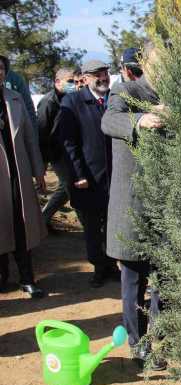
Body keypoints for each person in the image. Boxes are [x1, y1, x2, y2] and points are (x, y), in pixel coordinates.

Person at [101, 44, 166, 370]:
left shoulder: (176, 95)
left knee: (163, 284)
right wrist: (141, 120)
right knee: (133, 285)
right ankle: (138, 345)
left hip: (165, 211)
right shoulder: (125, 91)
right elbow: (109, 121)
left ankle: (160, 339)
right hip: (133, 210)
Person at [56, 60, 117, 288]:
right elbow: (68, 143)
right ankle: (99, 268)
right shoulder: (72, 102)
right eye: (96, 75)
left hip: (114, 177)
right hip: (88, 178)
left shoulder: (114, 99)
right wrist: (78, 174)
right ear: (85, 78)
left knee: (112, 224)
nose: (102, 78)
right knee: (92, 227)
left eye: (104, 73)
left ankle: (111, 264)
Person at [0, 59, 47, 298]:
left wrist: (38, 171)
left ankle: (27, 278)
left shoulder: (15, 99)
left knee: (22, 225)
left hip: (18, 173)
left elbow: (30, 138)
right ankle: (2, 276)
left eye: (0, 69)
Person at [38, 67, 77, 225]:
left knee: (66, 188)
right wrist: (42, 161)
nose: (73, 85)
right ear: (57, 82)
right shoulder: (49, 101)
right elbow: (41, 130)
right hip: (55, 152)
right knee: (67, 186)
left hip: (68, 150)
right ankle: (42, 220)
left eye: (74, 81)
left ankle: (43, 220)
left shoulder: (69, 98)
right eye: (70, 81)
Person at [0, 55, 38, 134]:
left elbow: (29, 111)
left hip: (12, 137)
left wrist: (33, 140)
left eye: (1, 68)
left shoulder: (16, 80)